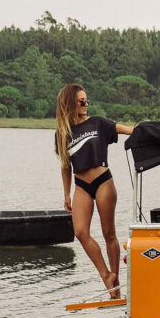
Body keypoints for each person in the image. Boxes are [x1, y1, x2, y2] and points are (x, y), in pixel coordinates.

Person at [54, 83, 134, 299]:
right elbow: (64, 166)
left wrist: (139, 131)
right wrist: (66, 195)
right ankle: (106, 275)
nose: (86, 104)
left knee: (109, 233)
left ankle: (115, 280)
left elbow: (124, 129)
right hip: (81, 186)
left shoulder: (98, 122)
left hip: (103, 182)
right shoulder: (62, 133)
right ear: (70, 103)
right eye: (82, 101)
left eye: (87, 101)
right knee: (80, 232)